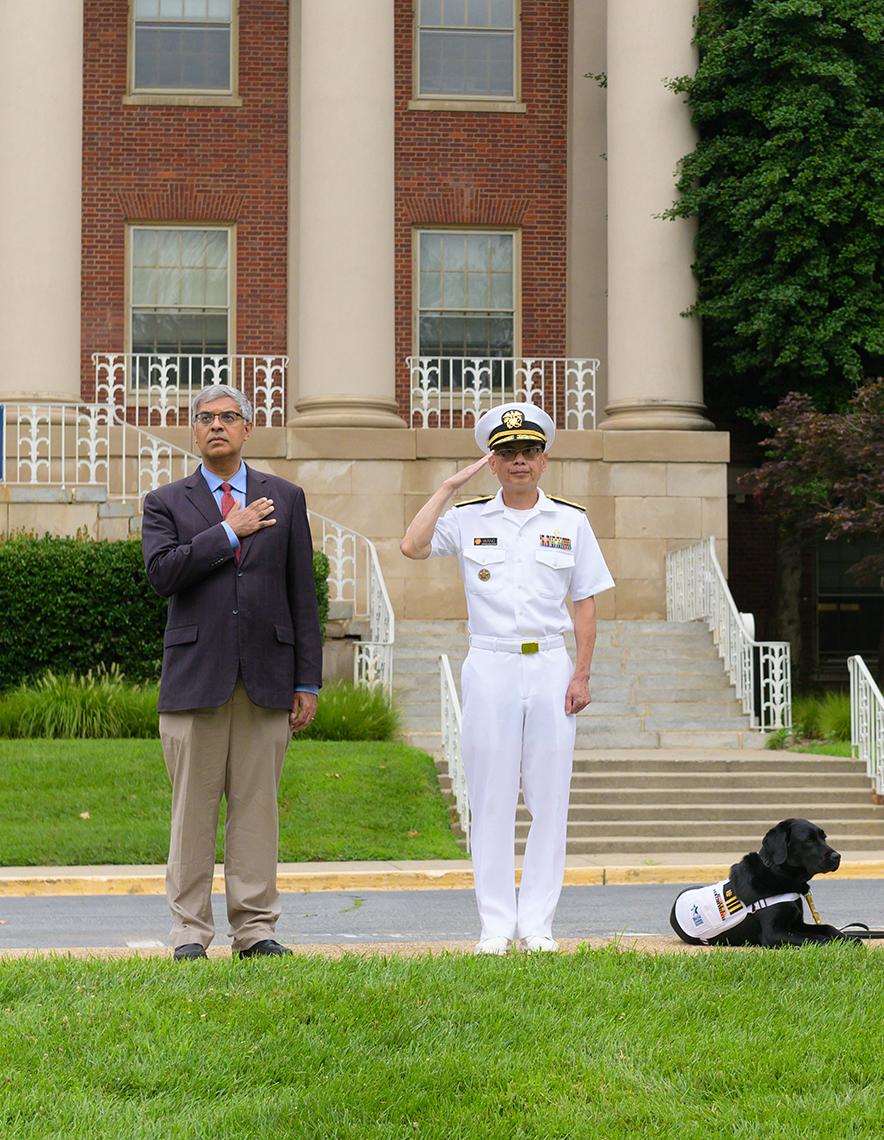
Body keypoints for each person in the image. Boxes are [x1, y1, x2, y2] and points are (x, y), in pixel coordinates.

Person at [401, 402, 614, 954]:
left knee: (549, 799)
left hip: (549, 663)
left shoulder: (571, 521)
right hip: (490, 663)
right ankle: (496, 925)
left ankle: (538, 925)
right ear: (491, 462)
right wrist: (447, 488)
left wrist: (582, 675)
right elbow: (412, 545)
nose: (519, 461)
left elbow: (585, 603)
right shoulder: (469, 517)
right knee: (491, 797)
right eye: (507, 453)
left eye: (528, 452)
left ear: (543, 460)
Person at [142, 383, 322, 960]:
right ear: (194, 432)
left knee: (256, 811)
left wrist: (307, 680)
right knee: (191, 812)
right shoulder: (165, 502)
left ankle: (256, 930)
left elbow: (303, 595)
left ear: (247, 429)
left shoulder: (287, 498)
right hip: (196, 677)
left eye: (228, 417)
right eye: (205, 418)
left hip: (268, 677)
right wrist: (228, 531)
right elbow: (163, 574)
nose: (217, 425)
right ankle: (189, 933)